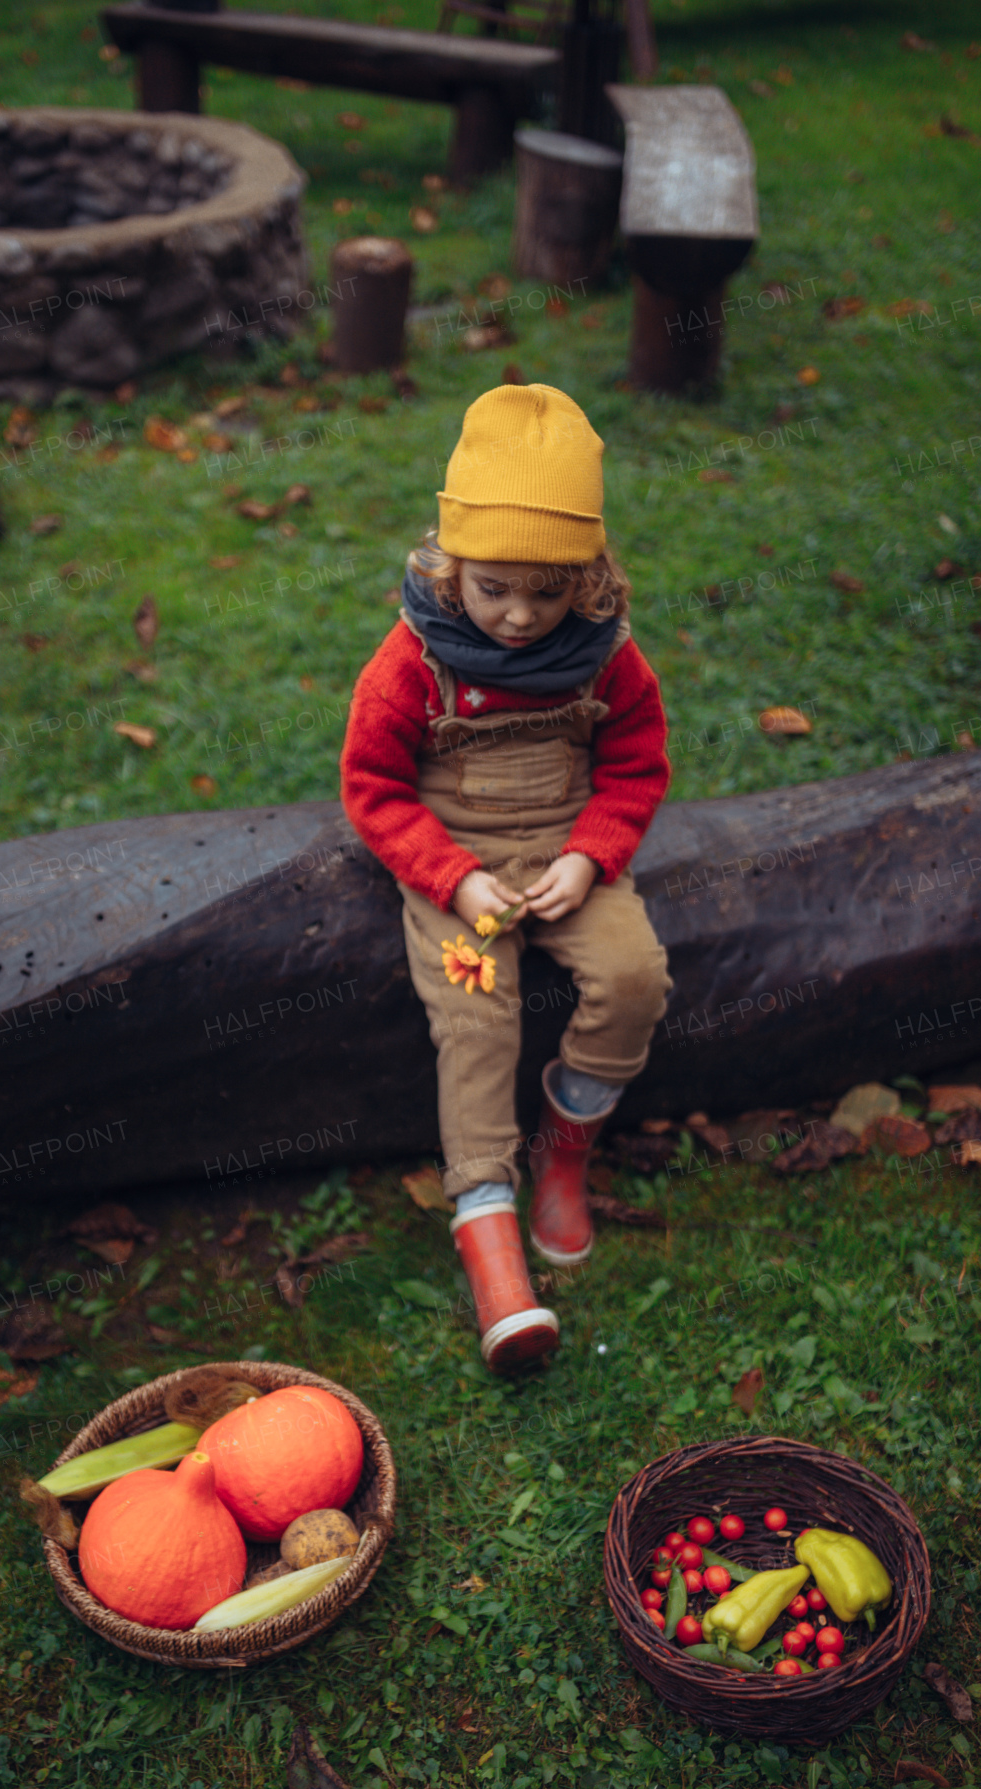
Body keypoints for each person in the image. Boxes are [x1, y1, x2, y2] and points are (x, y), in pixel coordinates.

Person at [341, 383, 671, 1373]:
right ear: (449, 569)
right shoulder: (410, 664)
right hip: (458, 869)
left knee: (632, 977)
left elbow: (634, 767)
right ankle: (488, 1238)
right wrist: (453, 878)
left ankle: (563, 1151)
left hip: (565, 851)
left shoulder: (604, 657)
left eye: (549, 589)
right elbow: (372, 786)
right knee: (476, 1021)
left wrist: (590, 854)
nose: (521, 615)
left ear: (590, 573)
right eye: (493, 589)